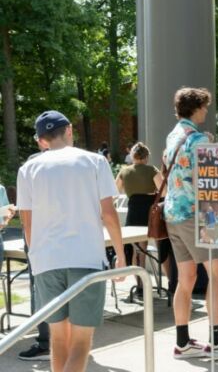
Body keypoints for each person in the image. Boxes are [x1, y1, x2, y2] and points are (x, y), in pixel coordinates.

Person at [16, 110, 126, 372]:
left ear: (42, 139)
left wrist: (35, 257)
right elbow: (109, 214)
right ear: (69, 131)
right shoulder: (95, 161)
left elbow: (26, 222)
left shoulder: (27, 169)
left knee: (58, 339)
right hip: (85, 259)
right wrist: (121, 254)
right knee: (80, 343)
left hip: (46, 261)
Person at [163, 87, 218, 359]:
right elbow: (213, 176)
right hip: (200, 214)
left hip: (173, 214)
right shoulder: (197, 140)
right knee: (217, 274)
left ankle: (182, 342)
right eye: (204, 107)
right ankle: (216, 340)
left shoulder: (173, 135)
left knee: (185, 279)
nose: (206, 111)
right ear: (196, 108)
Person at [115, 142, 169, 296]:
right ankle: (171, 282)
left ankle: (140, 285)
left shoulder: (124, 171)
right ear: (146, 157)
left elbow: (114, 192)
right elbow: (164, 191)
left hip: (133, 211)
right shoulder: (151, 170)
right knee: (161, 245)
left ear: (132, 156)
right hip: (150, 212)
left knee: (139, 251)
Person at [17, 135, 52, 361]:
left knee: (40, 290)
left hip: (41, 237)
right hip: (56, 235)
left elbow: (26, 209)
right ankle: (54, 341)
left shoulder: (31, 165)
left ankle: (46, 342)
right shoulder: (79, 164)